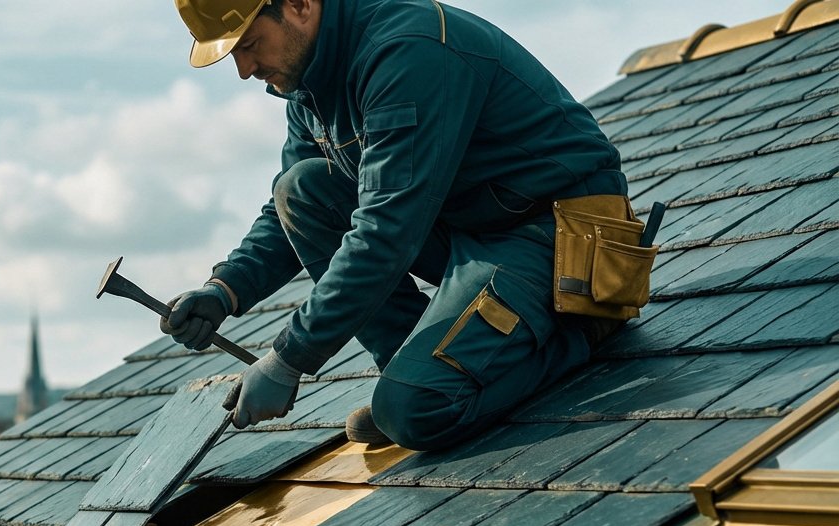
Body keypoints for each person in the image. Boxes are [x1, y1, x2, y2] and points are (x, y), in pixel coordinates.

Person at [162, 0, 643, 450]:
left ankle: (579, 330)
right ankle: (409, 366)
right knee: (301, 188)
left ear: (299, 4)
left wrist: (290, 356)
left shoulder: (405, 52)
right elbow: (289, 206)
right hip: (467, 226)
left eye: (248, 45)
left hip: (553, 232)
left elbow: (386, 228)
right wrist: (225, 289)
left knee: (416, 410)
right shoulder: (309, 82)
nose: (245, 70)